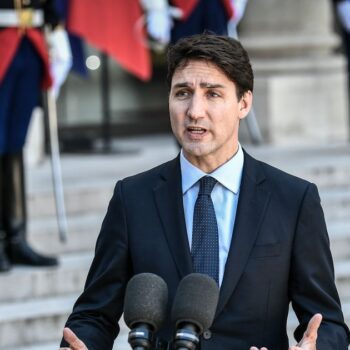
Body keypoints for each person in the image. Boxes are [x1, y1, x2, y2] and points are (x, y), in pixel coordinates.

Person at [60, 33, 350, 350]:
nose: (195, 111)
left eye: (212, 94)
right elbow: (93, 316)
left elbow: (328, 324)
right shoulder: (133, 199)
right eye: (183, 93)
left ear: (244, 102)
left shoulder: (293, 200)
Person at [0, 0, 70, 271]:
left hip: (29, 42)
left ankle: (16, 239)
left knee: (15, 143)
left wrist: (55, 25)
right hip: (3, 40)